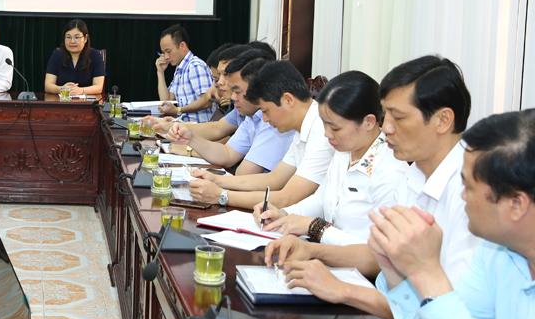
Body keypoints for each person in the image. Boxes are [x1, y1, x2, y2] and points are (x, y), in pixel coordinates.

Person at [266, 56, 478, 319]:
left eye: (398, 117)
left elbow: (447, 312)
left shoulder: (472, 195)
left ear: (443, 120)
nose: (386, 127)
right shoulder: (414, 175)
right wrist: (311, 249)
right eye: (386, 114)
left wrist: (344, 290)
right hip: (389, 313)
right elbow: (379, 255)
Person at [372, 109, 535, 319]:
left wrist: (427, 274)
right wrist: (395, 271)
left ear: (516, 204)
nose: (461, 198)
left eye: (469, 187)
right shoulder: (498, 251)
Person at [256, 71, 408, 243]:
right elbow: (322, 200)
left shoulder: (391, 171)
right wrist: (284, 215)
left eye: (335, 128)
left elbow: (376, 253)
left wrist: (315, 227)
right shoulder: (344, 152)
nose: (327, 134)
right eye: (324, 125)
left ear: (369, 122)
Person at [186, 60, 334, 209]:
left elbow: (287, 198)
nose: (264, 119)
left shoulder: (322, 131)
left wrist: (221, 196)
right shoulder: (302, 126)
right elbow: (274, 179)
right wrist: (216, 180)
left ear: (288, 100)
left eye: (265, 111)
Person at [168, 54, 294, 174]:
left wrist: (216, 184)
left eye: (237, 91)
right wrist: (191, 138)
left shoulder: (271, 120)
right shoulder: (252, 116)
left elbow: (244, 174)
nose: (233, 97)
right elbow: (227, 154)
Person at [154, 24, 214, 123]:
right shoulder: (180, 69)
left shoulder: (195, 66)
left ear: (182, 46)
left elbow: (207, 101)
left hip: (200, 128)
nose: (166, 57)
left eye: (168, 51)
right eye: (163, 53)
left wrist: (178, 110)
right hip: (186, 127)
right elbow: (166, 101)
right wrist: (160, 72)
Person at [43, 19, 105, 97]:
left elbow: (98, 87)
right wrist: (62, 89)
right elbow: (48, 86)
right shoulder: (57, 54)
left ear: (85, 38)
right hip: (62, 102)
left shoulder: (95, 55)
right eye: (68, 37)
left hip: (87, 104)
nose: (72, 41)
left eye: (77, 37)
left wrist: (81, 91)